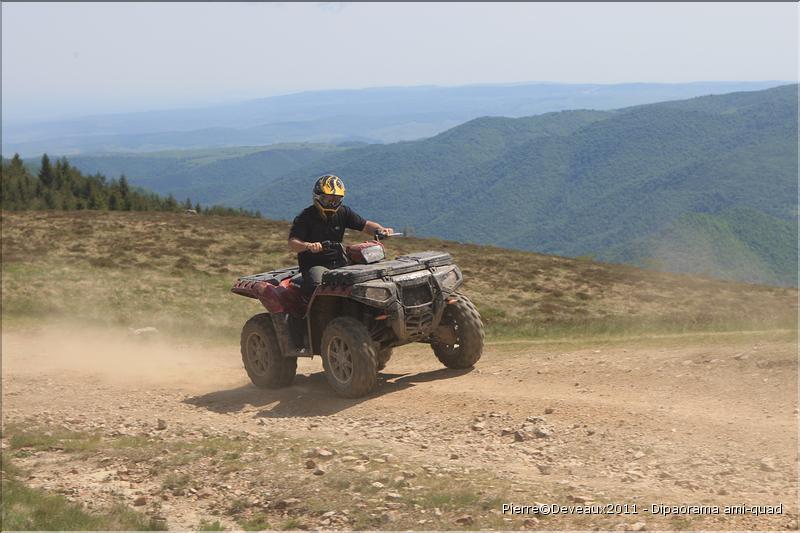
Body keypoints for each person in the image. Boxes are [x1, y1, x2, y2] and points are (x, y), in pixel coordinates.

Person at [288, 174, 393, 296]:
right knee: (320, 289)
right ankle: (317, 314)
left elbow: (365, 225)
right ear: (317, 197)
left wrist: (381, 230)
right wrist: (308, 246)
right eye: (327, 199)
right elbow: (293, 242)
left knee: (367, 277)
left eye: (336, 200)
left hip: (340, 261)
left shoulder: (344, 212)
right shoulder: (305, 216)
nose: (332, 203)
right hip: (314, 264)